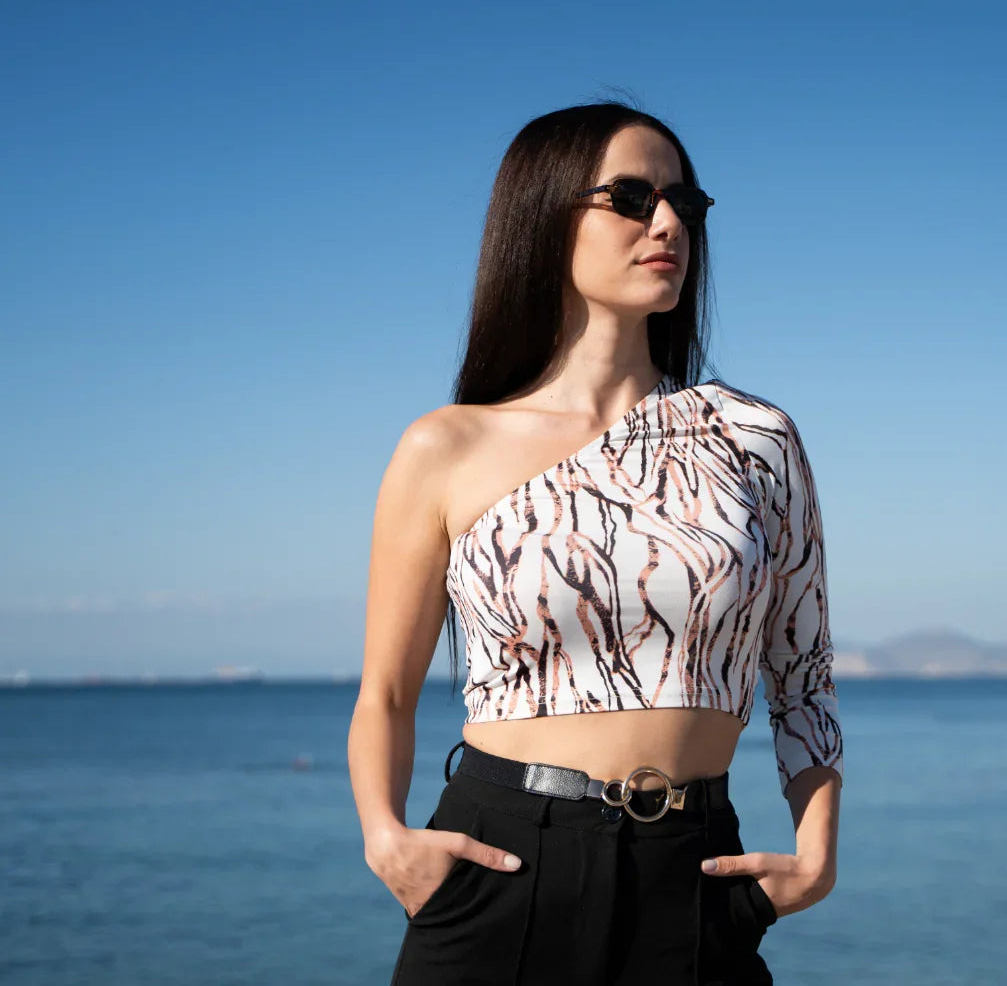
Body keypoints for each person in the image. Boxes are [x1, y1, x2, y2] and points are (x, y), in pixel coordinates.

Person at [348, 101, 844, 986]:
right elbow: (386, 690)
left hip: (696, 874)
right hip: (504, 864)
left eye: (685, 205)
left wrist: (815, 856)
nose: (667, 224)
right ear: (544, 216)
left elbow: (801, 673)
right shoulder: (446, 448)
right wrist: (388, 840)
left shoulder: (755, 439)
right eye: (630, 197)